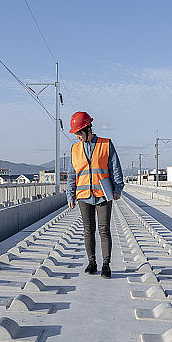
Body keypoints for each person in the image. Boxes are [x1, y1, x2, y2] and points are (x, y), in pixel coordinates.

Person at [66, 111, 124, 278]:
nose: (77, 136)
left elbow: (115, 167)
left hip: (103, 195)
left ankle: (106, 265)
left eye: (79, 132)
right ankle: (92, 262)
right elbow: (72, 175)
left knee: (104, 230)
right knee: (88, 230)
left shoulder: (106, 144)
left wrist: (118, 189)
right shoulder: (74, 149)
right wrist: (70, 196)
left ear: (87, 128)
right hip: (84, 195)